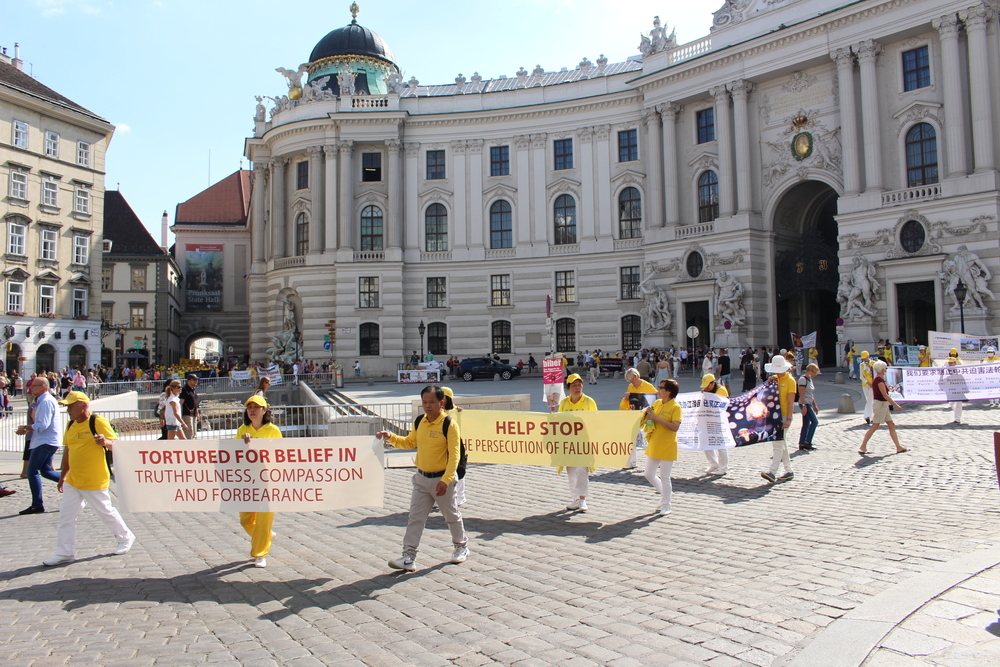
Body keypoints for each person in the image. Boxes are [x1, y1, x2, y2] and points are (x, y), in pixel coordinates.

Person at [376, 385, 468, 572]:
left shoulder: (449, 424)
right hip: (421, 479)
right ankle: (408, 557)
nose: (427, 406)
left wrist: (446, 479)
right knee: (415, 518)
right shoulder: (420, 421)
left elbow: (455, 455)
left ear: (441, 403)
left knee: (451, 516)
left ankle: (461, 546)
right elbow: (409, 442)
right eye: (425, 402)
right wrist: (390, 437)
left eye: (432, 402)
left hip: (442, 479)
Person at [42, 391, 135, 566]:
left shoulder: (97, 421)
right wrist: (62, 476)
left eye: (71, 405)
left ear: (83, 406)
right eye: (67, 406)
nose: (68, 409)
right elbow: (68, 451)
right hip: (74, 480)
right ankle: (64, 552)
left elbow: (116, 444)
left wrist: (105, 442)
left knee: (105, 512)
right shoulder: (70, 425)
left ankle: (125, 537)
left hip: (94, 478)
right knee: (66, 517)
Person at [237, 395, 281, 567]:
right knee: (246, 519)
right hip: (247, 480)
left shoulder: (273, 430)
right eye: (249, 407)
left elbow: (280, 454)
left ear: (264, 410)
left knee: (263, 519)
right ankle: (265, 536)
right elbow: (232, 454)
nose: (252, 410)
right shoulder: (242, 429)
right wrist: (243, 444)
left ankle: (260, 553)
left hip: (268, 481)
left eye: (256, 407)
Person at [15, 377, 62, 515]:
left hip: (45, 441)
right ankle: (75, 484)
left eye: (34, 386)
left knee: (31, 471)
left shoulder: (46, 402)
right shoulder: (44, 401)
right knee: (46, 471)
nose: (31, 388)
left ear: (43, 387)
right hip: (46, 441)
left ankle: (37, 504)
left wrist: (25, 427)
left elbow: (42, 425)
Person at [558, 374, 598, 511]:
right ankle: (575, 499)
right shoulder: (563, 403)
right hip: (569, 444)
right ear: (568, 388)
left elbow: (596, 421)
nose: (577, 387)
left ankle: (582, 500)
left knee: (582, 470)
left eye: (579, 384)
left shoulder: (588, 402)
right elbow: (558, 423)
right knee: (571, 472)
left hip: (584, 443)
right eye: (574, 385)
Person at [643, 378, 682, 515]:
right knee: (648, 474)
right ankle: (666, 494)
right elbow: (650, 419)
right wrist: (647, 415)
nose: (658, 389)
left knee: (665, 476)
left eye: (661, 388)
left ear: (669, 392)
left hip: (668, 445)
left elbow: (674, 427)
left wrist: (658, 419)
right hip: (654, 443)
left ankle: (667, 504)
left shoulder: (675, 407)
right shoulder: (657, 403)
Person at [760, 355, 796, 484]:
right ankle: (789, 471)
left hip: (784, 415)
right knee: (782, 443)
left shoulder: (790, 381)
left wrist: (789, 419)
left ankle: (773, 472)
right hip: (775, 415)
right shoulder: (774, 379)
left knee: (778, 443)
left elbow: (791, 402)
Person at [858, 361, 907, 455]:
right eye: (885, 368)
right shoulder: (879, 380)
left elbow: (884, 392)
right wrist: (896, 405)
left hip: (883, 405)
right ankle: (863, 446)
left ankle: (898, 446)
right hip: (880, 405)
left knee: (891, 425)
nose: (886, 369)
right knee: (875, 426)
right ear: (882, 369)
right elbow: (884, 395)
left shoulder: (880, 379)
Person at [700, 374, 730, 475]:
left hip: (719, 420)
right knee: (705, 442)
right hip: (708, 419)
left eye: (708, 385)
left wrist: (706, 395)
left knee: (720, 444)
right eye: (705, 386)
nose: (706, 388)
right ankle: (714, 463)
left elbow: (718, 405)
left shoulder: (721, 390)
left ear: (713, 383)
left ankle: (723, 468)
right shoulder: (708, 390)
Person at [797, 363, 820, 451]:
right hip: (805, 403)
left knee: (806, 424)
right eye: (814, 372)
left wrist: (815, 405)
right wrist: (804, 406)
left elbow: (811, 394)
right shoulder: (803, 379)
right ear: (809, 371)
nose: (815, 374)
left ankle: (802, 442)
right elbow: (801, 393)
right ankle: (807, 441)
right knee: (814, 422)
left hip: (809, 402)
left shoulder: (809, 379)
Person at [945, 348, 965, 423]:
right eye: (952, 354)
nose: (953, 355)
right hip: (950, 385)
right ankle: (956, 413)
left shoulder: (959, 361)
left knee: (959, 403)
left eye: (954, 354)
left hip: (958, 385)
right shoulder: (946, 362)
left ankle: (957, 418)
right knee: (951, 402)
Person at [179, 373, 199, 440]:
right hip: (187, 414)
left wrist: (197, 413)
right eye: (194, 380)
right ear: (189, 381)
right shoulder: (184, 390)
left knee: (194, 433)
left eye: (196, 380)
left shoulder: (193, 389)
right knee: (189, 432)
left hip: (194, 414)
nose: (196, 381)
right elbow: (181, 402)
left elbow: (195, 402)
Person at [859, 351, 874, 425]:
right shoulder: (861, 365)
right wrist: (867, 382)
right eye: (863, 358)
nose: (864, 359)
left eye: (865, 358)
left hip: (873, 384)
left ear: (868, 356)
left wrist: (870, 367)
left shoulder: (874, 363)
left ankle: (867, 415)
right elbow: (861, 376)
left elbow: (876, 373)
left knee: (870, 400)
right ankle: (872, 416)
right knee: (868, 400)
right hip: (865, 385)